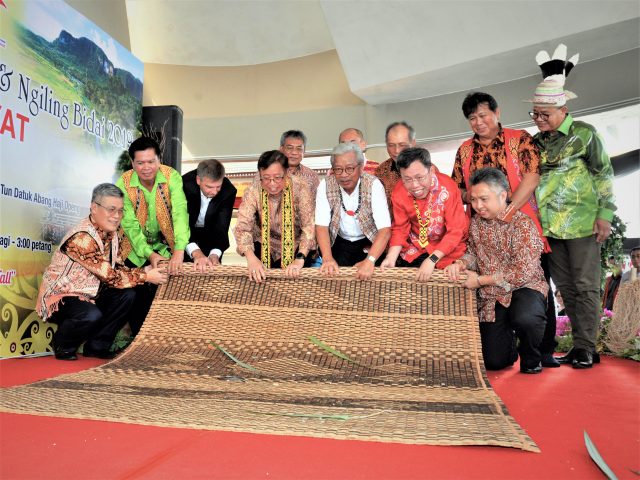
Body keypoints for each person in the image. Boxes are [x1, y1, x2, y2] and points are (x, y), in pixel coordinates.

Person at [451, 92, 559, 368]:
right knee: (493, 355)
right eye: (472, 118)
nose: (478, 122)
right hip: (483, 227)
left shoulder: (519, 139)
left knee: (535, 284)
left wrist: (509, 210)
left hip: (519, 217)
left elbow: (532, 176)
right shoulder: (464, 150)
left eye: (483, 115)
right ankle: (504, 343)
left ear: (497, 113)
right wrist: (476, 200)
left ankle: (541, 350)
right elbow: (457, 188)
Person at [528, 44, 616, 369]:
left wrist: (605, 215)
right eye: (535, 114)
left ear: (562, 109)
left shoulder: (585, 134)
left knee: (586, 286)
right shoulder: (536, 142)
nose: (539, 120)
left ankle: (586, 347)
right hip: (550, 227)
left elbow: (603, 173)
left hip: (582, 224)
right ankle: (581, 347)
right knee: (565, 287)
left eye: (545, 115)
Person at [36, 183, 168, 360]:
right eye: (111, 209)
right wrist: (146, 276)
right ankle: (63, 344)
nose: (117, 216)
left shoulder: (111, 235)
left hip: (91, 293)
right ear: (94, 208)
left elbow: (118, 269)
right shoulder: (82, 237)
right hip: (62, 296)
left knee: (127, 295)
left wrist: (146, 270)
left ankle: (97, 347)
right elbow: (111, 277)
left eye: (120, 211)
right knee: (90, 314)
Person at [444, 168, 548, 374]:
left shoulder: (522, 224)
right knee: (494, 361)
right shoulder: (475, 223)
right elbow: (473, 253)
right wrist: (461, 263)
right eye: (473, 200)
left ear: (503, 196)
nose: (478, 206)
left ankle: (531, 357)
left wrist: (480, 281)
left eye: (484, 199)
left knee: (526, 318)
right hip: (492, 296)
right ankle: (508, 346)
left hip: (524, 288)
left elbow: (522, 273)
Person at [116, 136, 189, 335]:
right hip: (133, 248)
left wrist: (179, 250)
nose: (146, 167)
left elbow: (180, 213)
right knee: (138, 298)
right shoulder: (123, 184)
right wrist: (150, 255)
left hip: (165, 244)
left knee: (172, 293)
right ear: (132, 163)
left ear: (159, 160)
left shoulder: (171, 176)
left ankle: (165, 339)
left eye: (151, 161)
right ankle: (138, 342)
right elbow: (130, 226)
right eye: (140, 163)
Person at [381, 147, 467, 281]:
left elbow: (456, 231)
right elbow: (400, 228)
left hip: (448, 245)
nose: (415, 185)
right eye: (407, 179)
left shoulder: (448, 188)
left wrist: (432, 260)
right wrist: (390, 258)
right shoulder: (399, 191)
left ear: (431, 171)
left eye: (419, 177)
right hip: (417, 246)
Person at [234, 150, 315, 283]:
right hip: (264, 244)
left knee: (295, 282)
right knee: (259, 280)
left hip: (296, 245)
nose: (272, 184)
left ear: (287, 172)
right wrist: (251, 259)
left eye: (277, 178)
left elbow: (309, 227)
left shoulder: (301, 188)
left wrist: (300, 258)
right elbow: (242, 228)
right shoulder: (253, 190)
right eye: (266, 178)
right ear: (260, 174)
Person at [315, 142, 391, 280]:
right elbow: (321, 226)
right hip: (339, 241)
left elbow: (384, 230)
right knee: (336, 281)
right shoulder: (325, 185)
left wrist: (370, 260)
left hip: (369, 241)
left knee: (370, 281)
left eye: (350, 169)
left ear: (361, 168)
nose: (344, 175)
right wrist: (327, 258)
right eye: (338, 169)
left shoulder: (373, 185)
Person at [182, 159, 237, 271]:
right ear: (198, 180)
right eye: (209, 187)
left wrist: (215, 254)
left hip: (211, 236)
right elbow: (179, 224)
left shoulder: (228, 191)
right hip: (184, 235)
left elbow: (222, 227)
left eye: (218, 187)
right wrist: (196, 252)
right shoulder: (183, 185)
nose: (214, 192)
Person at [375, 121, 417, 213]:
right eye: (391, 145)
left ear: (413, 143)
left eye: (402, 145)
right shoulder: (380, 172)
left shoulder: (427, 170)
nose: (397, 151)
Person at [279, 130, 320, 199]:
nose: (294, 152)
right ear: (281, 149)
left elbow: (317, 202)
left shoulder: (312, 176)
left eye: (299, 149)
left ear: (304, 152)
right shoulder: (268, 173)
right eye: (289, 148)